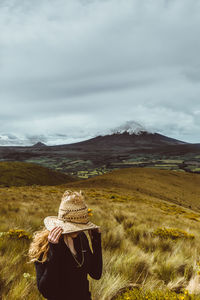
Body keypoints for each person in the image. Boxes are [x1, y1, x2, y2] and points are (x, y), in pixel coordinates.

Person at [29, 190, 103, 300]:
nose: (77, 230)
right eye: (73, 226)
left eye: (80, 226)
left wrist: (96, 242)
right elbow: (46, 291)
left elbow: (96, 274)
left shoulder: (81, 237)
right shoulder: (43, 245)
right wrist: (54, 250)